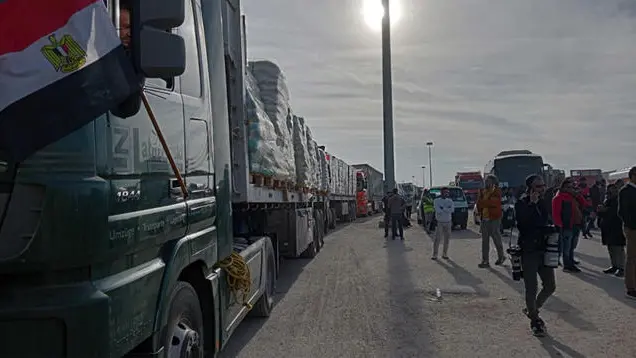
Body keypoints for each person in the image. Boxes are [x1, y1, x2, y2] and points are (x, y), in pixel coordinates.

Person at [515, 174, 555, 337]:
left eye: (543, 185)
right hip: (529, 250)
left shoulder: (544, 202)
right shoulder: (521, 203)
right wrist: (531, 204)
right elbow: (522, 224)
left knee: (550, 286)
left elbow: (544, 221)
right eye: (538, 186)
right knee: (531, 288)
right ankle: (535, 320)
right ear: (530, 188)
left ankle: (532, 309)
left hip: (544, 248)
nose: (542, 188)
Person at [552, 178, 584, 272]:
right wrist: (559, 225)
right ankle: (567, 264)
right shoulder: (559, 197)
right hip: (566, 225)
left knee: (572, 245)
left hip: (575, 223)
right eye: (568, 187)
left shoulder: (572, 197)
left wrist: (578, 195)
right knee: (566, 246)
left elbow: (583, 203)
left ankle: (570, 260)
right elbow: (556, 213)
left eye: (572, 187)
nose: (571, 189)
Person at [476, 175, 505, 268]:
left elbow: (493, 203)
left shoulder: (496, 191)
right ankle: (485, 260)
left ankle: (501, 257)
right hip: (484, 219)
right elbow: (478, 203)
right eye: (485, 181)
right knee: (485, 241)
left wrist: (483, 203)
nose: (486, 183)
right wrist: (483, 204)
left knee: (496, 238)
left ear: (493, 182)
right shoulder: (482, 191)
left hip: (494, 218)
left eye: (488, 181)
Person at [598, 184, 625, 277]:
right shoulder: (607, 200)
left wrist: (606, 210)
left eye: (613, 190)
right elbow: (602, 213)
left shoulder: (619, 200)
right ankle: (614, 266)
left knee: (618, 249)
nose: (610, 193)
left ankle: (621, 268)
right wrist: (601, 210)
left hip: (617, 227)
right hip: (607, 228)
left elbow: (616, 213)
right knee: (611, 248)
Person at [618, 167, 636, 300]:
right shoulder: (626, 191)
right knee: (631, 258)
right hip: (632, 229)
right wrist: (632, 226)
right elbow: (623, 212)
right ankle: (631, 288)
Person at [432, 188, 454, 260]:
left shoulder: (450, 201)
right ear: (441, 193)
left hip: (448, 221)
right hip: (440, 222)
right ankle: (435, 254)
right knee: (437, 239)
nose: (446, 193)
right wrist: (446, 208)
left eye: (447, 192)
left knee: (447, 239)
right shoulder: (436, 201)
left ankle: (445, 254)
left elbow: (452, 210)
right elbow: (438, 211)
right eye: (445, 192)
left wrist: (443, 208)